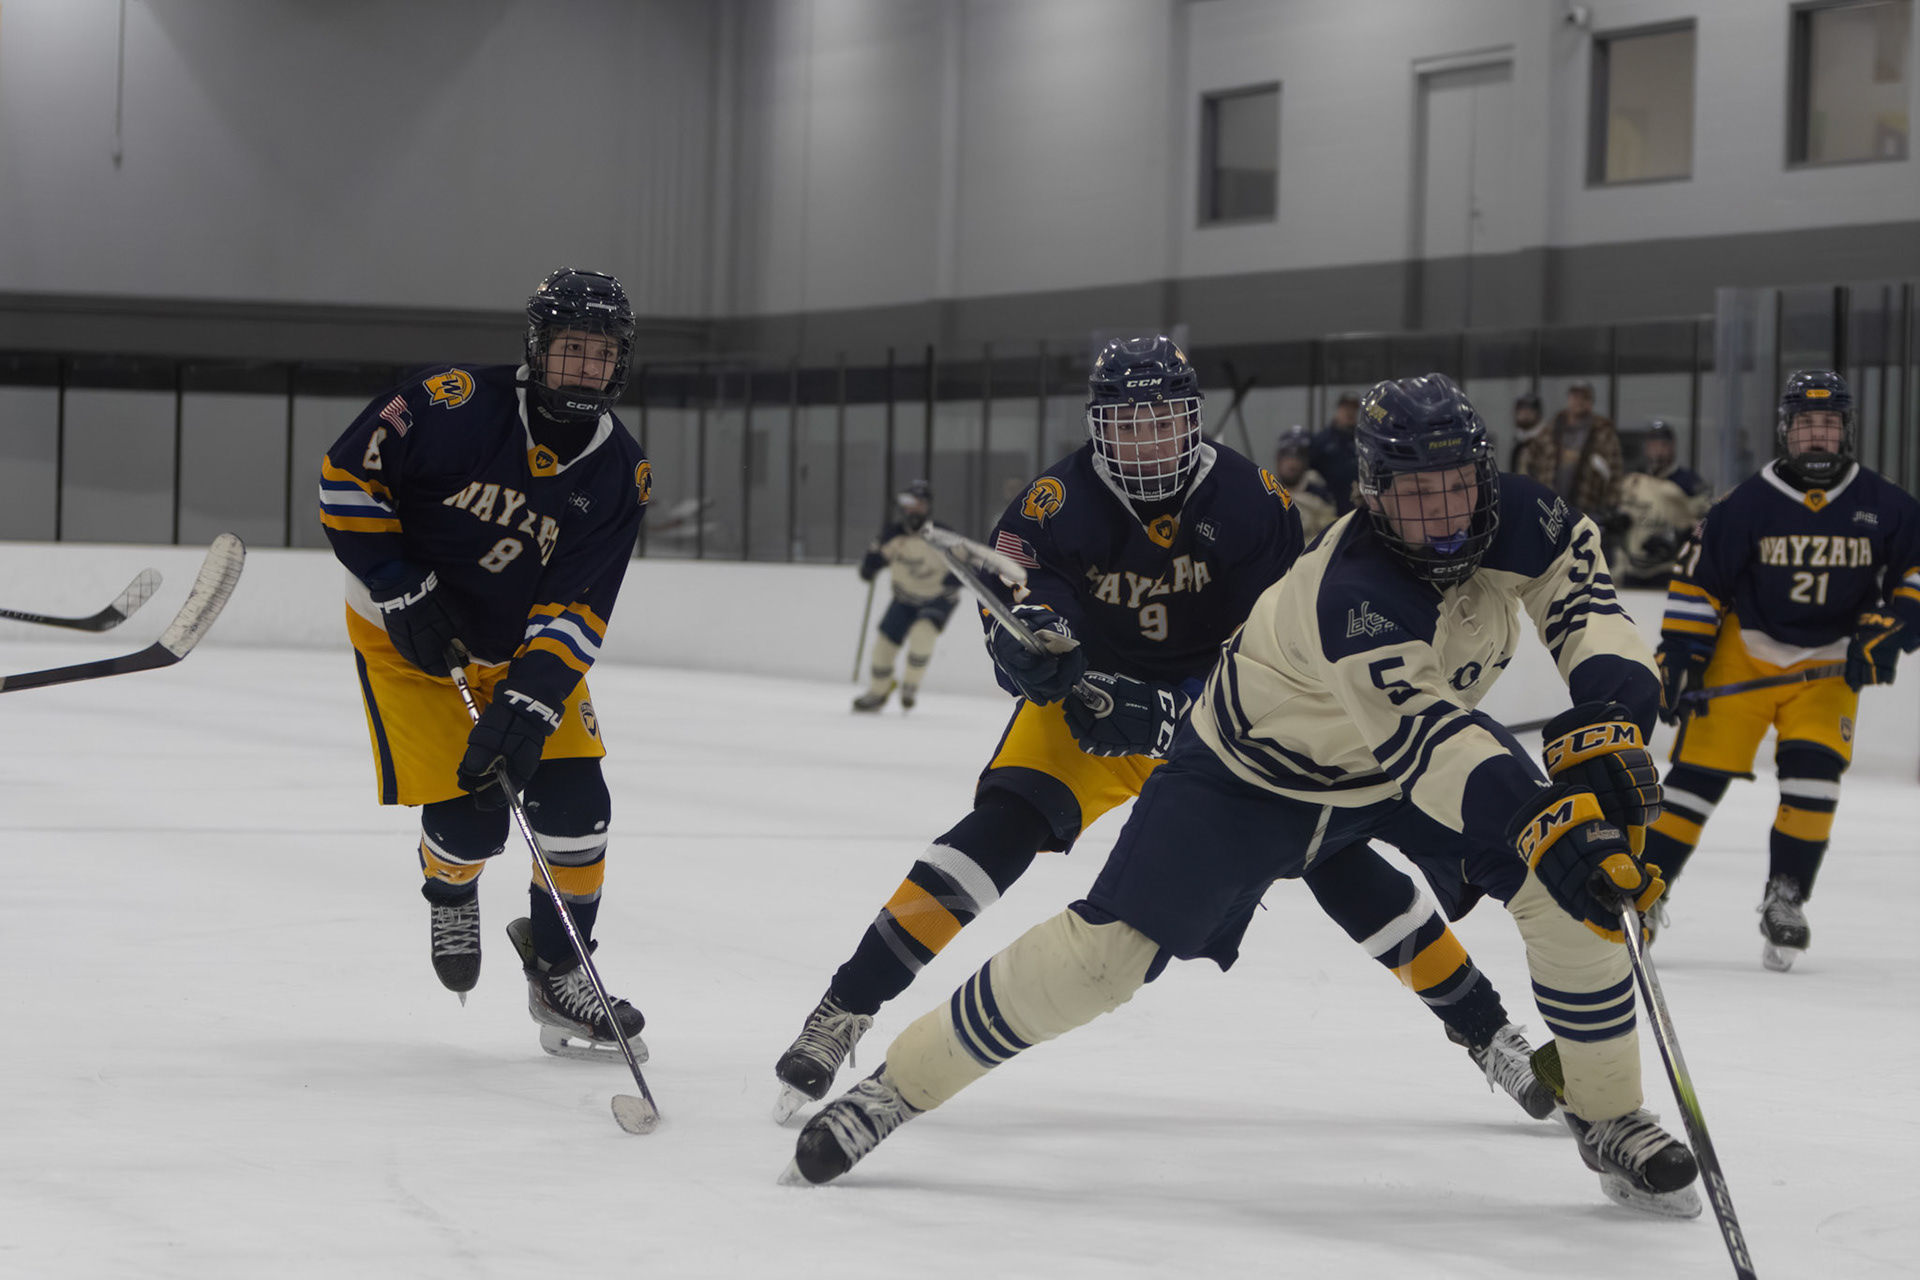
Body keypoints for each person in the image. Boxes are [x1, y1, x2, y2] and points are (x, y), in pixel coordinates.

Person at [789, 373, 1704, 1220]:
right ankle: (895, 1087)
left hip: (1382, 767)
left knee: (1569, 902)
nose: (1440, 517)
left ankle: (1608, 1113)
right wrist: (1545, 817)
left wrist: (1614, 723)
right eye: (1412, 495)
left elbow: (1592, 616)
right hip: (1246, 776)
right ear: (1371, 494)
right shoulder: (1354, 590)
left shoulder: (1527, 517)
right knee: (1103, 960)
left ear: (1486, 475)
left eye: (1456, 487)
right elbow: (1430, 739)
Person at [320, 268, 652, 1059]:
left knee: (578, 807)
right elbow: (348, 478)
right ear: (537, 347)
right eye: (571, 348)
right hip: (404, 640)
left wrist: (531, 701)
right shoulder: (451, 402)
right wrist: (398, 584)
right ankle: (450, 888)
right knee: (472, 820)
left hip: (516, 649)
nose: (585, 368)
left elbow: (578, 605)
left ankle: (561, 972)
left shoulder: (619, 471)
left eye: (600, 353)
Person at [1642, 370, 1920, 969]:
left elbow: (1915, 575)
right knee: (1694, 781)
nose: (1817, 435)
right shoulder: (1744, 504)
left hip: (1827, 663)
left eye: (1829, 423)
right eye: (1805, 424)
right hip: (1742, 652)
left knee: (1814, 778)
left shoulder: (1888, 505)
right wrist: (1681, 655)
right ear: (1785, 431)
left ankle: (1786, 896)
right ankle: (1644, 895)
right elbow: (1699, 583)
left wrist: (1896, 626)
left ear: (1846, 431)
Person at [852, 480, 962, 712]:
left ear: (928, 505)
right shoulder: (892, 534)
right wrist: (871, 563)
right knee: (883, 648)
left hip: (938, 597)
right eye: (909, 502)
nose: (914, 508)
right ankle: (878, 692)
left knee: (923, 635)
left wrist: (954, 578)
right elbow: (873, 562)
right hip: (904, 597)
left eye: (919, 503)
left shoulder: (942, 534)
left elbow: (965, 563)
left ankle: (910, 685)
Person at [1519, 379, 1622, 517]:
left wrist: (1611, 506)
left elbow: (1615, 471)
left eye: (1584, 398)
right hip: (1551, 507)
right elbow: (1529, 462)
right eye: (1575, 396)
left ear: (1591, 402)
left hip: (1589, 507)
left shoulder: (1603, 432)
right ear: (1569, 398)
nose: (1579, 401)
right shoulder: (1551, 430)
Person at [1273, 425, 1337, 540]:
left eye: (1298, 457)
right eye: (1287, 456)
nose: (1291, 464)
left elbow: (1331, 535)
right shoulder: (1267, 494)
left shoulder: (1319, 497)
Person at [1309, 392, 1361, 515]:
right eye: (1346, 408)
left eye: (1354, 409)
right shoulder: (1321, 440)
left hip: (1357, 506)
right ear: (1338, 409)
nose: (1350, 412)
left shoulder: (1363, 440)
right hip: (1328, 507)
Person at [1510, 392, 1545, 474]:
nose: (1523, 414)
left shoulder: (1545, 442)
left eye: (1528, 411)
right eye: (1520, 411)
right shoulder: (1519, 443)